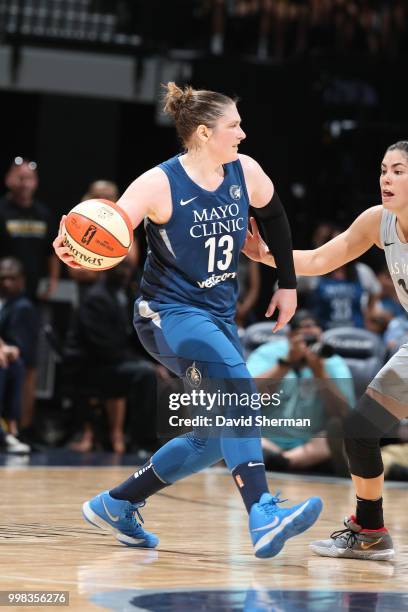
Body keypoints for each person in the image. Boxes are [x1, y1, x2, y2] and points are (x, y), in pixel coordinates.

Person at [53, 82, 322, 558]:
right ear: (203, 133)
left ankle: (118, 503)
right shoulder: (158, 184)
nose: (242, 133)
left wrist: (287, 283)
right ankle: (262, 511)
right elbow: (114, 224)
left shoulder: (246, 170)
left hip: (218, 316)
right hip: (168, 314)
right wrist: (77, 245)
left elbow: (275, 217)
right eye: (233, 125)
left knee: (217, 437)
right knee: (238, 388)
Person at [242, 139, 408, 561]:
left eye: (398, 171)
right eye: (383, 170)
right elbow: (318, 260)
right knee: (360, 430)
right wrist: (265, 254)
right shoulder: (379, 221)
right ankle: (369, 530)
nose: (386, 179)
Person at [247, 310, 355, 472]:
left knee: (336, 435)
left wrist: (320, 374)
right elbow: (245, 397)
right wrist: (285, 363)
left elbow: (344, 414)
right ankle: (285, 461)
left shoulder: (332, 361)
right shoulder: (268, 353)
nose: (308, 345)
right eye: (304, 338)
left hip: (310, 445)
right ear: (290, 336)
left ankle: (282, 462)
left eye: (313, 339)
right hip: (265, 439)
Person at [0, 157, 60, 300]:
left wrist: (53, 280)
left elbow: (52, 250)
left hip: (33, 289)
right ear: (8, 179)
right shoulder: (1, 210)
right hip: (3, 289)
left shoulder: (43, 213)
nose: (25, 184)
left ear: (36, 182)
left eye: (29, 179)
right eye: (20, 178)